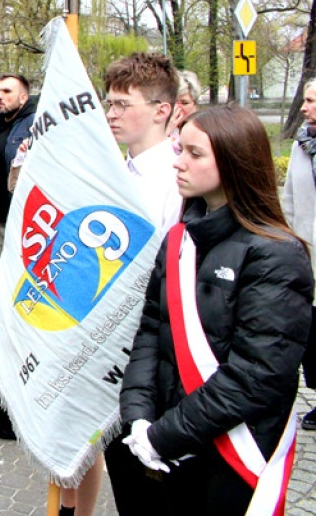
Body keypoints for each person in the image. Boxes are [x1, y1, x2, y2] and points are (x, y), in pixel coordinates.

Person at [120, 104, 312, 515]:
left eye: (194, 153)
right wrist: (137, 417)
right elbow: (151, 329)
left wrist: (165, 435)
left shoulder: (278, 254)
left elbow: (258, 375)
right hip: (171, 443)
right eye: (179, 149)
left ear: (234, 160)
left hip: (233, 450)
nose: (178, 162)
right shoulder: (178, 240)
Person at [95, 52, 182, 516]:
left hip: (154, 354)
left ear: (161, 110)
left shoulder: (176, 179)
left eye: (123, 104)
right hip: (111, 348)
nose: (111, 114)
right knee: (124, 476)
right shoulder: (119, 170)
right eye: (109, 103)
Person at [282, 78, 316, 431]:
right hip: (309, 253)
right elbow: (289, 196)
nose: (304, 108)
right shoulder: (302, 145)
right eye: (305, 100)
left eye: (311, 101)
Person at [0, 73, 36, 294]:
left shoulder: (34, 124)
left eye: (7, 92)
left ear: (23, 98)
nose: (0, 96)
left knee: (20, 283)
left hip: (22, 219)